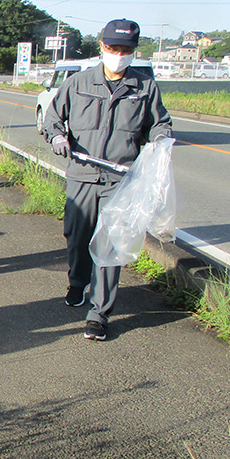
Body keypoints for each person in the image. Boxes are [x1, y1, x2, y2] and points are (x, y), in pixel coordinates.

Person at [42, 18, 172, 341]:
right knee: (76, 236)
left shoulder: (145, 88)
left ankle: (99, 313)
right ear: (102, 47)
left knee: (110, 246)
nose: (119, 54)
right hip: (82, 175)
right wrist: (57, 137)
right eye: (113, 48)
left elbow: (160, 125)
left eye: (125, 50)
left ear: (133, 51)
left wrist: (160, 143)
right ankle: (77, 282)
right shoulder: (78, 83)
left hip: (120, 180)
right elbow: (53, 119)